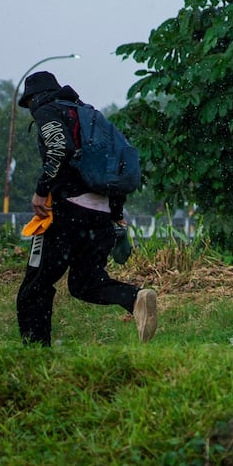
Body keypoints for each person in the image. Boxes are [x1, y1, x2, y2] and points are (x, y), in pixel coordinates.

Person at [15, 71, 157, 346]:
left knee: (35, 287)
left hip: (66, 213)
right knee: (85, 283)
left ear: (34, 98)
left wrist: (41, 191)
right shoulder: (88, 114)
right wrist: (115, 216)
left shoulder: (47, 110)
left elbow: (59, 149)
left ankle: (34, 353)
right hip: (100, 214)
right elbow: (113, 167)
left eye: (29, 103)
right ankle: (135, 297)